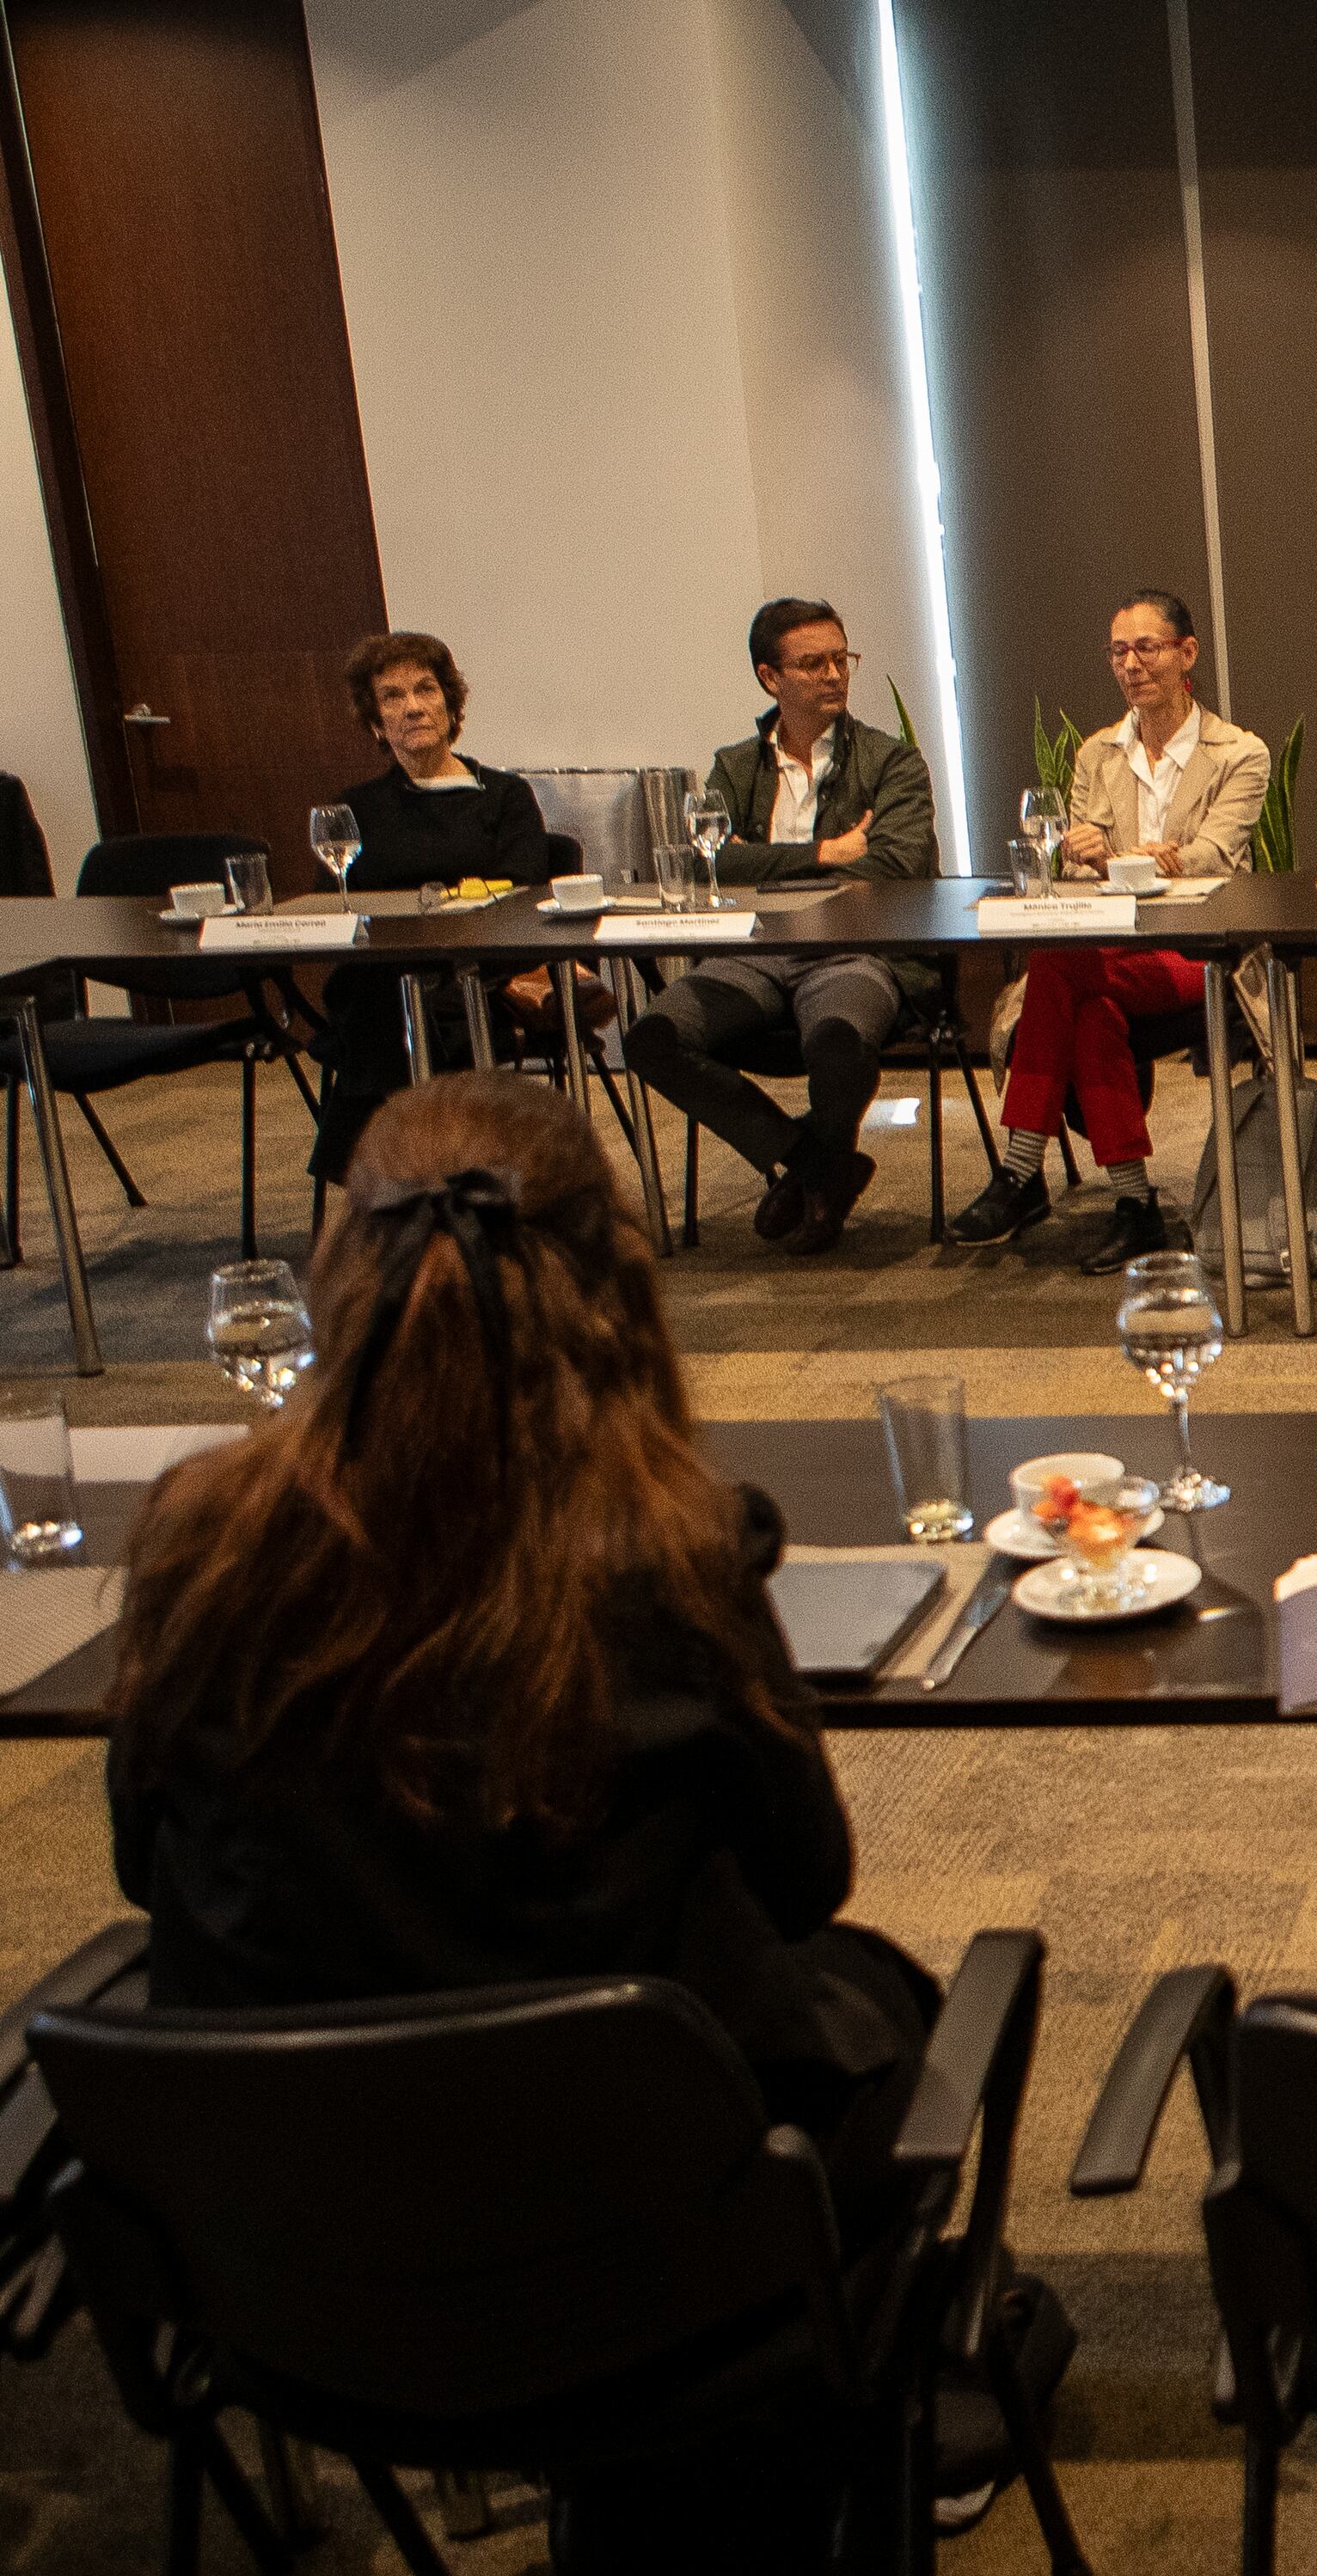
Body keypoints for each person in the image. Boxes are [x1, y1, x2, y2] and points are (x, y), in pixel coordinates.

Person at [108, 1075, 938, 2236]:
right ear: (615, 1291)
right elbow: (805, 1883)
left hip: (311, 2270)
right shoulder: (675, 1561)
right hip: (647, 2258)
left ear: (337, 1278)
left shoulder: (199, 1548)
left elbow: (146, 1870)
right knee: (882, 1994)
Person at [945, 590, 1272, 1274]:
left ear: (1186, 654)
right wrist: (1091, 852)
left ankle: (1018, 1170)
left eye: (1146, 648)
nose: (1131, 665)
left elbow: (1211, 855)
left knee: (1059, 966)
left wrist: (1117, 853)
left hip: (1197, 947)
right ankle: (1135, 1205)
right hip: (1113, 950)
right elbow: (1077, 850)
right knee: (1091, 1014)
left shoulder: (1240, 753)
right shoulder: (1099, 751)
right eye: (1118, 651)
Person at [624, 599, 944, 1253]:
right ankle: (815, 1163)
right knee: (653, 1038)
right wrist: (826, 853)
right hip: (751, 950)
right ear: (771, 677)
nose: (834, 675)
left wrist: (764, 865)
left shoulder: (891, 762)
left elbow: (897, 862)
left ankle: (816, 1178)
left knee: (836, 1041)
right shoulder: (736, 766)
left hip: (856, 948)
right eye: (813, 663)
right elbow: (710, 861)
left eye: (841, 659)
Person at [311, 631, 564, 1185]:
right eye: (392, 696)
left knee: (406, 1006)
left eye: (426, 690)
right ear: (376, 722)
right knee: (382, 997)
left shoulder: (502, 795)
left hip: (479, 970)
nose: (413, 707)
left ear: (451, 708)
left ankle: (382, 1175)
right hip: (381, 974)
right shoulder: (355, 807)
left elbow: (525, 887)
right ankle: (429, 1171)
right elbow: (335, 897)